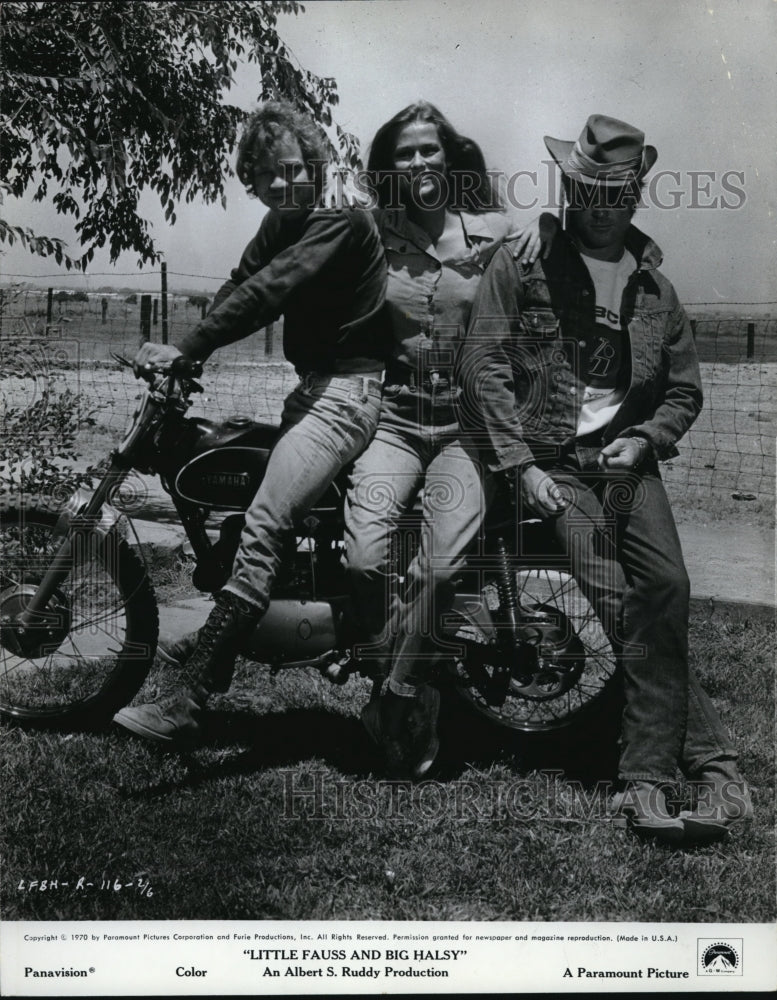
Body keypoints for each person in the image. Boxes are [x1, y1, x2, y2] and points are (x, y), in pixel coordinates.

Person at [457, 114, 752, 843]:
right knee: (616, 594)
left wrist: (645, 440)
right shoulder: (524, 260)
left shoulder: (656, 289)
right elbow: (481, 365)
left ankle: (686, 768)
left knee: (668, 588)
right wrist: (519, 465)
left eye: (615, 192)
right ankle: (668, 776)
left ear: (636, 192)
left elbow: (683, 391)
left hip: (621, 462)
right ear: (569, 184)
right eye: (586, 189)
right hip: (553, 462)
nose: (600, 204)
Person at [113, 100, 389, 747]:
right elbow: (241, 280)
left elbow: (274, 288)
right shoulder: (279, 221)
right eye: (269, 177)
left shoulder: (339, 220)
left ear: (314, 164)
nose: (285, 184)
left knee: (265, 521)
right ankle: (261, 634)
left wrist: (191, 347)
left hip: (348, 391)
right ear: (255, 184)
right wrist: (190, 353)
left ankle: (192, 696)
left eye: (293, 169)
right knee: (257, 504)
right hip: (313, 391)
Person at [343, 101, 524, 778]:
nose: (418, 162)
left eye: (429, 150)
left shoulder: (498, 236)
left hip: (463, 432)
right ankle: (413, 679)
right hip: (392, 423)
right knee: (363, 560)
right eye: (404, 152)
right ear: (388, 168)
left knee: (441, 569)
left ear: (449, 158)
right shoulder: (370, 235)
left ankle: (398, 695)